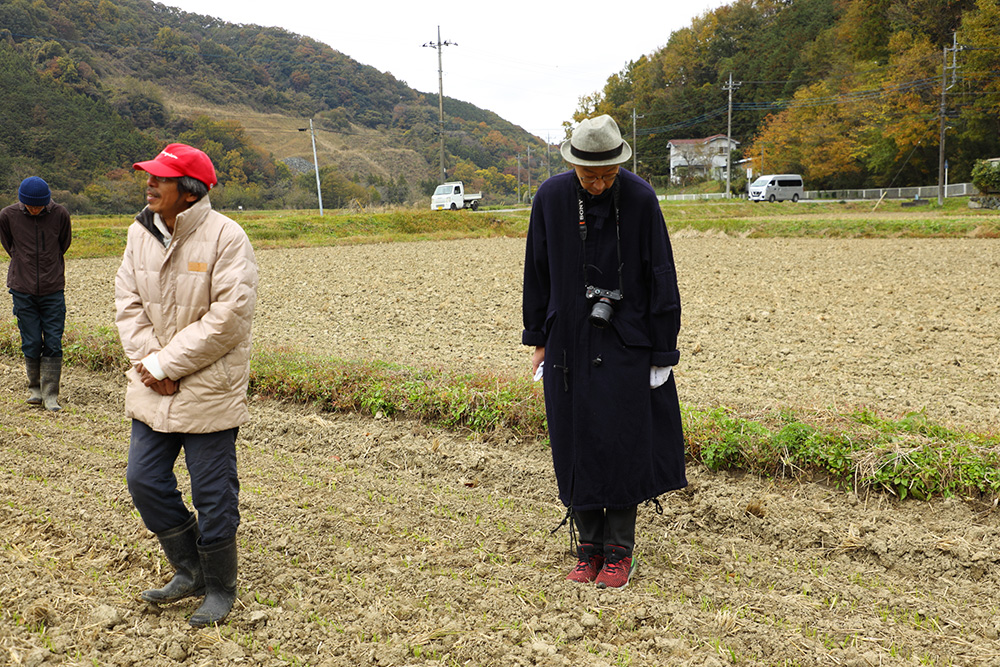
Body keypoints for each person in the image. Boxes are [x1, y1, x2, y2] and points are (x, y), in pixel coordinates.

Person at [521, 115, 687, 589]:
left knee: (620, 443)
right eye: (589, 175)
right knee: (575, 442)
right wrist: (538, 338)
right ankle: (586, 548)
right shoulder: (551, 198)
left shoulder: (639, 197)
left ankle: (619, 552)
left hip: (626, 340)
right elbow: (538, 270)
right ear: (573, 164)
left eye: (607, 175)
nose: (598, 184)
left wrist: (662, 351)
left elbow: (661, 275)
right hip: (569, 339)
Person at [115, 143, 258, 627]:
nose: (149, 184)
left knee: (213, 493)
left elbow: (230, 319)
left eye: (161, 178)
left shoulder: (226, 237)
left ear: (190, 190)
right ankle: (190, 568)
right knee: (143, 479)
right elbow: (127, 301)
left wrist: (168, 365)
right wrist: (150, 366)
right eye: (149, 176)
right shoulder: (140, 234)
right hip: (153, 384)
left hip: (208, 385)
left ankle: (221, 586)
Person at [0, 177, 72, 412]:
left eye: (39, 206)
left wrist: (49, 264)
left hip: (53, 288)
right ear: (22, 202)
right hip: (22, 288)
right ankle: (35, 390)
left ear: (47, 202)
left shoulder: (60, 214)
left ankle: (51, 395)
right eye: (31, 206)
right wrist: (25, 262)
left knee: (53, 341)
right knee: (30, 341)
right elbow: (9, 245)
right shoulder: (7, 216)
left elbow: (63, 243)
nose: (35, 209)